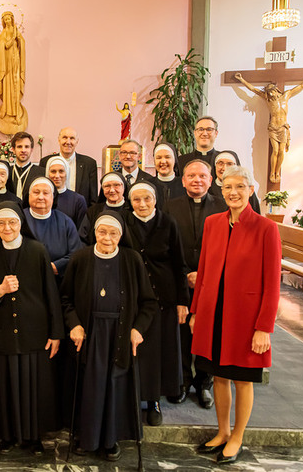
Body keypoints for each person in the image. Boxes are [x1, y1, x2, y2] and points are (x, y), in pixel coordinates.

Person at [190, 165, 281, 465]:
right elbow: (204, 270)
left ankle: (238, 437)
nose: (233, 193)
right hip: (214, 313)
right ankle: (223, 432)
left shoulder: (266, 229)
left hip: (245, 318)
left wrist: (264, 327)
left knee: (242, 379)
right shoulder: (213, 223)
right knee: (218, 376)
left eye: (240, 187)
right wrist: (196, 311)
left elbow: (272, 283)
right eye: (228, 187)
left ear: (251, 190)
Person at [60, 212, 157, 459]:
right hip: (90, 332)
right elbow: (65, 299)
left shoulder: (132, 260)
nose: (107, 238)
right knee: (91, 386)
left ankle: (111, 439)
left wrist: (138, 329)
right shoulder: (81, 258)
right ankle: (87, 438)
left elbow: (148, 302)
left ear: (121, 236)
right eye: (102, 232)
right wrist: (74, 324)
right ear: (94, 233)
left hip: (120, 333)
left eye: (113, 233)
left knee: (115, 385)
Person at [0, 202, 63, 454]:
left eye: (12, 222)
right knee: (3, 387)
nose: (7, 228)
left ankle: (32, 437)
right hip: (1, 331)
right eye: (1, 223)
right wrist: (0, 290)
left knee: (32, 387)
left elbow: (51, 293)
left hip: (34, 331)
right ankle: (6, 436)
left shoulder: (37, 250)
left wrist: (56, 333)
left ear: (21, 224)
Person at [123, 182, 189, 426]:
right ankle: (132, 397)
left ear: (155, 200)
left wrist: (182, 301)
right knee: (136, 350)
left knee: (159, 351)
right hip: (133, 297)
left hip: (164, 296)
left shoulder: (168, 222)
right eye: (137, 200)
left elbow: (179, 263)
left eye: (147, 199)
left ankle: (154, 401)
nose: (142, 204)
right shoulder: (124, 221)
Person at [163, 159, 227, 409]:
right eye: (191, 176)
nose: (197, 180)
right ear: (183, 180)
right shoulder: (170, 206)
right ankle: (181, 382)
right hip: (179, 280)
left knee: (206, 334)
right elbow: (166, 245)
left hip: (211, 282)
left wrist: (203, 274)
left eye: (202, 176)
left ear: (210, 180)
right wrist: (186, 274)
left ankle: (204, 384)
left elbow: (226, 247)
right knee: (180, 334)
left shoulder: (222, 206)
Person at [235, 69, 303, 183]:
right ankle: (272, 172)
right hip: (273, 127)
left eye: (271, 91)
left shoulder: (286, 95)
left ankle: (277, 172)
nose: (270, 94)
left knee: (281, 151)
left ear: (276, 90)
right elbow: (253, 89)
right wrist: (241, 79)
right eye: (268, 92)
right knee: (275, 151)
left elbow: (302, 86)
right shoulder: (268, 100)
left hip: (283, 127)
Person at [22, 177, 81, 280]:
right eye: (36, 192)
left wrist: (56, 266)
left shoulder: (65, 222)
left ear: (53, 197)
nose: (41, 197)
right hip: (25, 278)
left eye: (46, 193)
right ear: (29, 195)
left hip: (57, 279)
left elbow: (76, 253)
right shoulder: (18, 219)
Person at [40, 127, 99, 206]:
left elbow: (93, 199)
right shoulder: (46, 162)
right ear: (59, 140)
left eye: (72, 138)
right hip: (52, 209)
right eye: (64, 137)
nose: (68, 142)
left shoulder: (89, 164)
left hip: (80, 211)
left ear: (77, 141)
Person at [0, 11, 27, 134]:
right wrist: (12, 39)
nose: (8, 21)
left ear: (12, 20)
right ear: (3, 21)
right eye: (6, 20)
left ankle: (17, 113)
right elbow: (4, 46)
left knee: (16, 87)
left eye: (9, 19)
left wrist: (18, 39)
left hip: (16, 64)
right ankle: (6, 110)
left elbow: (22, 44)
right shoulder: (3, 34)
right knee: (7, 88)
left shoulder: (16, 31)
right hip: (6, 66)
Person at [79, 172, 130, 245]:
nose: (112, 190)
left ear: (124, 187)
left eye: (116, 185)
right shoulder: (93, 211)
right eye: (107, 186)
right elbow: (82, 238)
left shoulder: (131, 210)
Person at [45, 155, 87, 229]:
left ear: (67, 173)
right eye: (53, 171)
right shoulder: (41, 198)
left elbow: (80, 230)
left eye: (61, 171)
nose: (57, 176)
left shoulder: (78, 200)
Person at [7, 131, 44, 199]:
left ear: (31, 150)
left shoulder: (41, 173)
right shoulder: (7, 172)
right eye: (19, 147)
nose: (23, 150)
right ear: (13, 150)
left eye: (26, 147)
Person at [149, 142, 185, 211]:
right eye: (158, 158)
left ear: (174, 160)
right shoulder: (148, 186)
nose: (163, 161)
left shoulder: (184, 185)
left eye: (167, 157)